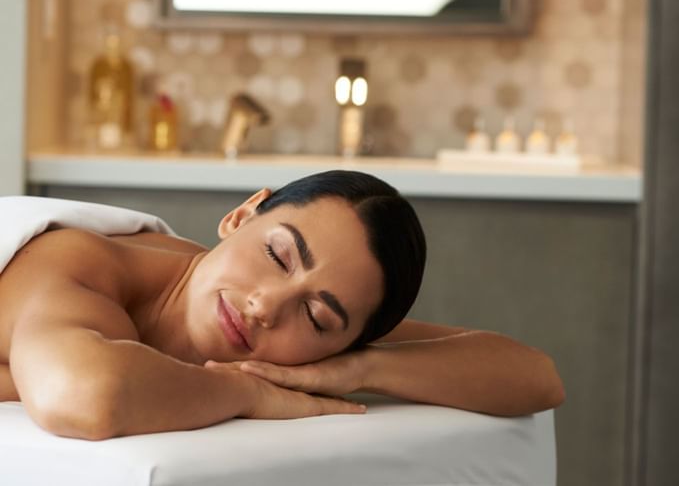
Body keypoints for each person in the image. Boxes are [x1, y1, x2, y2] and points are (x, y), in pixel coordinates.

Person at [0, 171, 564, 440]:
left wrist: (354, 369)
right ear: (242, 215)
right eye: (277, 254)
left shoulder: (314, 347)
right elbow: (85, 397)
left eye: (318, 317)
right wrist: (248, 392)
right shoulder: (75, 266)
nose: (266, 305)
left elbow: (535, 376)